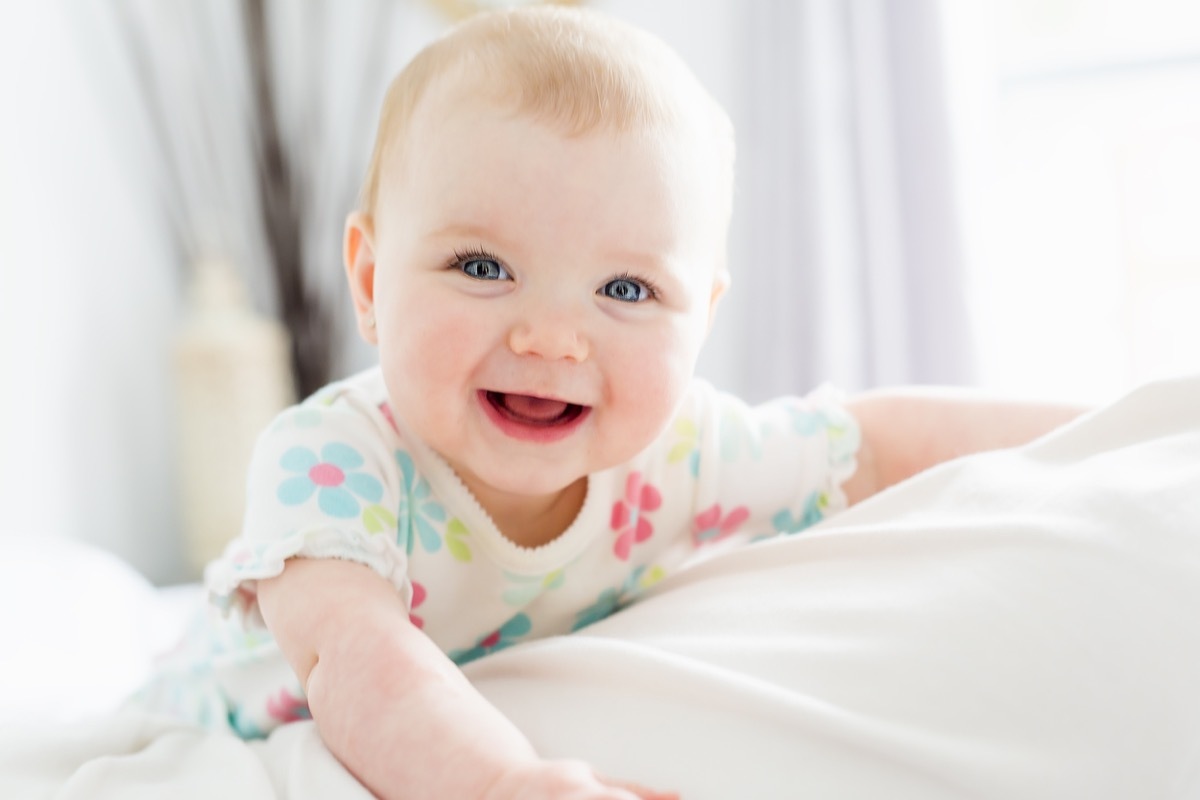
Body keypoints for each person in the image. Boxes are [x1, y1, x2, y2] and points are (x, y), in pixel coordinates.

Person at [159, 7, 1083, 799]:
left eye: (627, 291)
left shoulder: (683, 451)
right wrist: (499, 782)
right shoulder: (330, 458)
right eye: (483, 268)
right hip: (225, 709)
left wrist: (1099, 431)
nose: (553, 339)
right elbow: (355, 661)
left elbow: (872, 447)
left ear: (703, 319)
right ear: (368, 279)